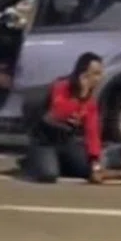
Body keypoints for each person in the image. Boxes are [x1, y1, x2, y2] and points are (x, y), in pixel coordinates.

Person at [23, 52, 105, 184]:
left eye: (100, 73)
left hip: (66, 141)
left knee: (86, 170)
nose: (98, 78)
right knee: (48, 175)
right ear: (83, 74)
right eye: (95, 73)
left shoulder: (91, 101)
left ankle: (59, 162)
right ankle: (32, 161)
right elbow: (58, 112)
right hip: (45, 141)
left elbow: (92, 132)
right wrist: (81, 97)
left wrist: (95, 162)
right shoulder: (61, 86)